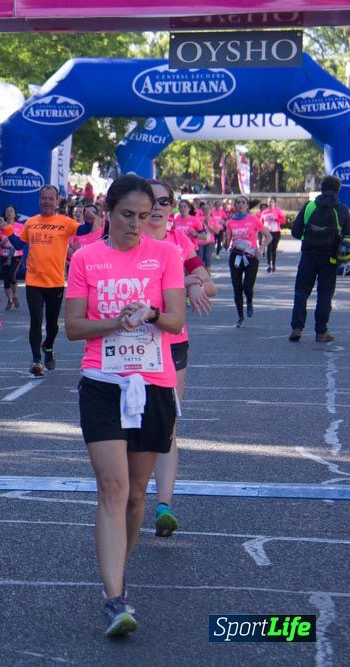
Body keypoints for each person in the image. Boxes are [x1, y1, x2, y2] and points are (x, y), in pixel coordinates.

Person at [65, 175, 186, 637]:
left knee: (137, 495)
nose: (137, 224)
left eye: (143, 215)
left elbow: (175, 319)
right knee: (113, 488)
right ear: (107, 212)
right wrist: (114, 321)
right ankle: (115, 597)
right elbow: (74, 327)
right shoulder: (86, 258)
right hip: (102, 382)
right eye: (127, 215)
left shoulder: (167, 254)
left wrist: (151, 313)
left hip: (154, 383)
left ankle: (118, 573)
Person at [146, 180, 217, 538]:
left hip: (173, 343)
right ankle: (126, 496)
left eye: (165, 201)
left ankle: (163, 506)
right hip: (130, 345)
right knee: (129, 428)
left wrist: (191, 281)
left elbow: (210, 285)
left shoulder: (180, 242)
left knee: (167, 425)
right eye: (151, 200)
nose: (158, 207)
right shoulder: (125, 239)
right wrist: (185, 280)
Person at [21, 184, 95, 377]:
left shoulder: (65, 222)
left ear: (57, 201)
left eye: (50, 198)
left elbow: (83, 230)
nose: (46, 201)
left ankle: (48, 347)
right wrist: (6, 229)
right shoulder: (31, 223)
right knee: (36, 321)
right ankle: (36, 359)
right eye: (43, 198)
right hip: (33, 281)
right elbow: (16, 243)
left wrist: (88, 221)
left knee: (52, 324)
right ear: (39, 200)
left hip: (55, 282)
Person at [289, 175, 350, 343]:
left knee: (301, 292)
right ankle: (321, 332)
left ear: (321, 188)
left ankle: (297, 328)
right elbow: (348, 235)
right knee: (324, 295)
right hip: (330, 259)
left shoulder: (309, 207)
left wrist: (309, 238)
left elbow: (295, 232)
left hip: (308, 256)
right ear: (338, 189)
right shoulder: (342, 210)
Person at [224, 196, 271, 328]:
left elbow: (269, 236)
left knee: (247, 286)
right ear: (234, 205)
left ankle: (249, 301)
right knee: (237, 287)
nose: (240, 204)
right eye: (238, 202)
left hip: (251, 256)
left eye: (243, 202)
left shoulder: (253, 219)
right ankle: (240, 317)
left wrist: (261, 249)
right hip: (236, 256)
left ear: (247, 205)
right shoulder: (230, 222)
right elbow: (226, 244)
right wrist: (226, 240)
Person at [260, 197, 285, 273]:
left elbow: (283, 221)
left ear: (275, 203)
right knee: (269, 248)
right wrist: (262, 229)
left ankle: (273, 264)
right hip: (268, 232)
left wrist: (276, 218)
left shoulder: (278, 211)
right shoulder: (264, 212)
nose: (270, 203)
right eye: (269, 202)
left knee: (274, 248)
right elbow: (261, 222)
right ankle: (268, 265)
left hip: (276, 232)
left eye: (271, 202)